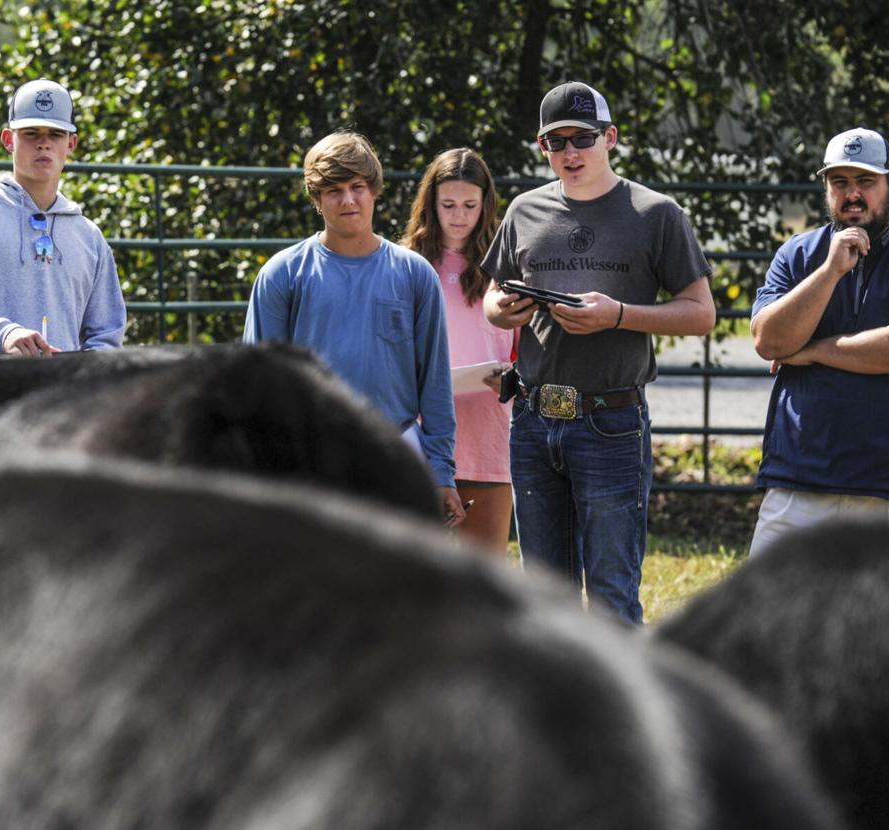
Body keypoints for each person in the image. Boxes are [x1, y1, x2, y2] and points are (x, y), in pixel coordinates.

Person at [482, 81, 715, 624]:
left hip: (611, 422)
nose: (569, 153)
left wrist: (618, 315)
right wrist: (504, 310)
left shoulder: (655, 214)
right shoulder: (524, 209)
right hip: (535, 419)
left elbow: (701, 313)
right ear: (542, 148)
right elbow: (494, 296)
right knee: (544, 600)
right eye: (554, 142)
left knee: (611, 597)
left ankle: (621, 710)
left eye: (582, 138)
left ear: (610, 138)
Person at [747, 127, 889, 557]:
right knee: (769, 623)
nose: (852, 195)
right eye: (839, 182)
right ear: (826, 187)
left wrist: (810, 350)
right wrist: (829, 271)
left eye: (866, 182)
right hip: (799, 478)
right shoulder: (798, 255)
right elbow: (769, 341)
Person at [242, 131, 463, 524]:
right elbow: (261, 387)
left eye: (357, 187)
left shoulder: (414, 274)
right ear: (316, 199)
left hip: (395, 451)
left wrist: (442, 471)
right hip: (309, 462)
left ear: (374, 190)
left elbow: (435, 382)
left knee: (397, 582)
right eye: (333, 190)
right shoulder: (282, 274)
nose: (348, 200)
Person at [0, 78, 126, 356]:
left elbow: (107, 333)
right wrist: (3, 335)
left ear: (71, 143)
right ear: (9, 140)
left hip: (66, 395)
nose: (44, 144)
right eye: (31, 133)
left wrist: (84, 379)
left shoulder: (89, 237)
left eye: (55, 134)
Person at [403, 148, 517, 553]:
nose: (459, 216)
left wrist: (511, 375)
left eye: (470, 205)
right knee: (415, 567)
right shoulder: (408, 263)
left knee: (484, 571)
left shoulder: (507, 262)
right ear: (430, 204)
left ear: (486, 205)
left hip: (488, 429)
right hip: (422, 433)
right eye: (448, 204)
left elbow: (522, 345)